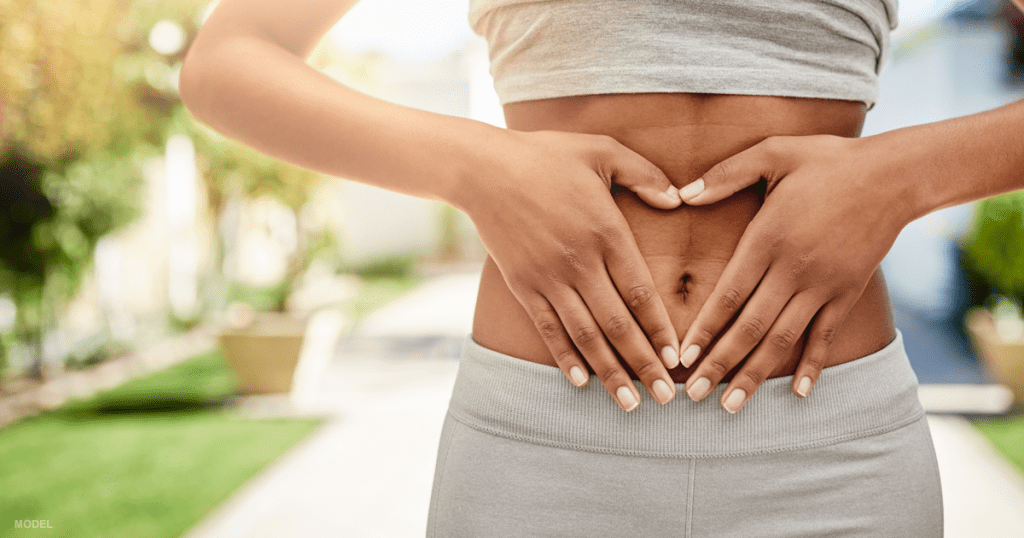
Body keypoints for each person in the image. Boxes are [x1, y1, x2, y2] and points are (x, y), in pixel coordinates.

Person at [179, 0, 1024, 535]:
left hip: (831, 457)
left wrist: (902, 177)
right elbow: (230, 59)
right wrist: (475, 167)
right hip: (540, 453)